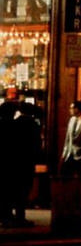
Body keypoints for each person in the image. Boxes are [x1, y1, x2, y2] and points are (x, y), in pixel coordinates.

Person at [0, 87, 42, 228]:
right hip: (22, 163)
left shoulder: (9, 125)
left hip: (8, 164)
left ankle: (7, 216)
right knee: (21, 191)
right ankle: (17, 217)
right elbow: (33, 145)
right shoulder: (24, 124)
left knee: (8, 191)